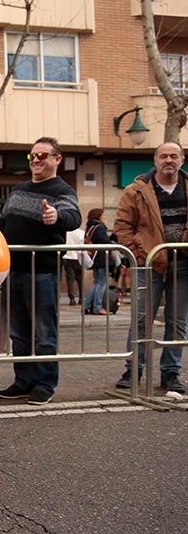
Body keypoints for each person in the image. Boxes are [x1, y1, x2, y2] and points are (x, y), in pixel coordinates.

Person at [0, 137, 81, 405]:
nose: (35, 160)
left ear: (57, 159)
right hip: (12, 271)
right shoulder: (19, 189)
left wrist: (56, 216)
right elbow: (2, 223)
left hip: (42, 272)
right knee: (18, 333)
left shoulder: (62, 190)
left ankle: (45, 384)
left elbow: (73, 216)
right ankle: (23, 382)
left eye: (42, 156)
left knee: (44, 333)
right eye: (32, 156)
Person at [113, 142, 188, 394]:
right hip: (149, 264)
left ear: (182, 160)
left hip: (183, 265)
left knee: (178, 322)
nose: (169, 160)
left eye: (174, 156)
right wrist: (138, 254)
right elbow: (122, 225)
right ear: (155, 160)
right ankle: (134, 369)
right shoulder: (136, 190)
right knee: (141, 319)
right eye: (163, 156)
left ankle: (171, 373)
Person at [83, 208, 111, 316]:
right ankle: (97, 307)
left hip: (94, 257)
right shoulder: (100, 227)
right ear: (98, 216)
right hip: (101, 257)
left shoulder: (90, 227)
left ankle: (86, 306)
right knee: (102, 282)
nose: (105, 217)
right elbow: (105, 241)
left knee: (96, 281)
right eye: (103, 215)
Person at [62, 226, 85, 307]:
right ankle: (81, 298)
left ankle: (72, 298)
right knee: (80, 279)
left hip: (68, 257)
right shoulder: (81, 233)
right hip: (79, 257)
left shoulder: (66, 232)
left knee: (70, 280)